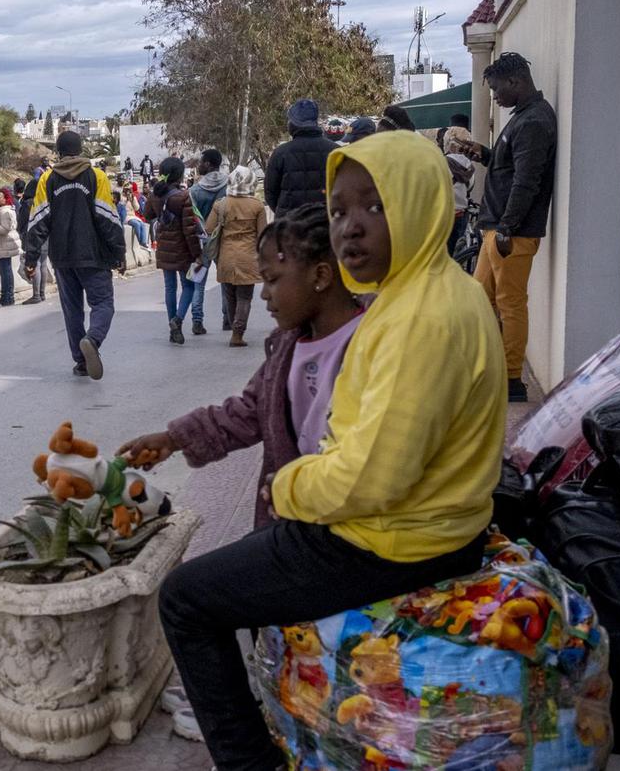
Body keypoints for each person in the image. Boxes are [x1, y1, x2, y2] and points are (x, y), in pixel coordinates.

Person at [128, 130, 506, 770]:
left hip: (388, 539)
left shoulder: (419, 318)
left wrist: (284, 489)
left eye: (375, 206)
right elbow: (251, 411)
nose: (351, 227)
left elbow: (371, 477)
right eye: (339, 212)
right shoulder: (427, 292)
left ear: (420, 204)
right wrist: (177, 438)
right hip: (411, 526)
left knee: (186, 600)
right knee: (239, 585)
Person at [464, 52, 557, 403]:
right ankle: (489, 368)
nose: (495, 97)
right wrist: (483, 154)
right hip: (498, 229)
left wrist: (507, 226)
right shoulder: (524, 118)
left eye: (497, 89)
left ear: (515, 81)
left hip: (511, 233)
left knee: (510, 304)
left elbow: (526, 181)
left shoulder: (533, 122)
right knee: (480, 299)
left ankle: (511, 378)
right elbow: (510, 169)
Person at [24, 130, 126, 379]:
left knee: (72, 310)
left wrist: (31, 258)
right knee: (103, 303)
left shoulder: (47, 179)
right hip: (94, 255)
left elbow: (38, 221)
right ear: (80, 150)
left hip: (62, 257)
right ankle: (93, 339)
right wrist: (119, 252)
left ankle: (81, 362)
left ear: (58, 152)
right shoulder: (97, 176)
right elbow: (107, 218)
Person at [204, 165, 268, 347]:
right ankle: (238, 334)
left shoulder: (221, 204)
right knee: (244, 297)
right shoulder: (257, 206)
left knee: (230, 295)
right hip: (248, 256)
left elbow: (209, 229)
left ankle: (234, 329)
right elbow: (263, 234)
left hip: (226, 257)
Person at [145, 156, 202, 345]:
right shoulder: (183, 196)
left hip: (164, 248)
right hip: (183, 250)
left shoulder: (155, 194)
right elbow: (189, 230)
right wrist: (197, 254)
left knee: (170, 288)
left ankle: (173, 327)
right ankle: (177, 320)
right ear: (179, 175)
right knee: (189, 286)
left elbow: (147, 215)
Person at [264, 98, 340, 215]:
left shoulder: (280, 153)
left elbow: (270, 193)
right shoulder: (335, 151)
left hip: (289, 222)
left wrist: (284, 212)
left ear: (294, 124)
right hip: (325, 221)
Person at [188, 148, 230, 335]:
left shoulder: (195, 190)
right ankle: (227, 318)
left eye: (201, 162)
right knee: (226, 281)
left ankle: (197, 321)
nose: (199, 165)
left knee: (198, 283)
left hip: (201, 242)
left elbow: (192, 218)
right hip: (223, 239)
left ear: (209, 164)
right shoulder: (228, 186)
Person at [16, 175, 50, 303]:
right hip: (45, 236)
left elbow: (22, 221)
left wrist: (20, 231)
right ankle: (42, 293)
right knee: (43, 264)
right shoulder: (46, 202)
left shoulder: (28, 203)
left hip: (32, 236)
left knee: (35, 264)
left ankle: (36, 295)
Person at [442, 126, 476, 255]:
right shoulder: (470, 166)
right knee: (459, 253)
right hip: (461, 215)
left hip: (443, 216)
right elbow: (470, 187)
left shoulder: (441, 163)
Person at [0, 188, 21, 306]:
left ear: (5, 199)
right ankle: (6, 296)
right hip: (2, 246)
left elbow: (5, 229)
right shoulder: (0, 211)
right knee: (4, 272)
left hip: (4, 246)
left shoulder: (5, 212)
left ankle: (8, 297)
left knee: (6, 272)